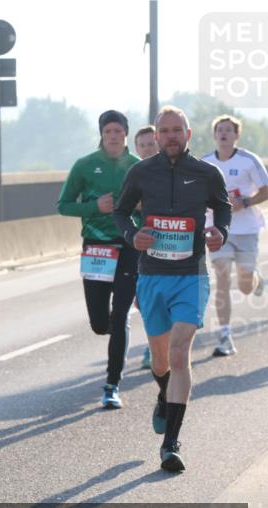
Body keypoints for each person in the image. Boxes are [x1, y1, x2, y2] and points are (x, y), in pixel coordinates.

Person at [113, 105, 231, 472]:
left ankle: (171, 445)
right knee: (161, 359)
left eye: (176, 130)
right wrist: (134, 235)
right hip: (152, 276)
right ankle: (164, 394)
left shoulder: (206, 173)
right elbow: (121, 212)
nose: (170, 136)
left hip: (190, 275)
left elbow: (223, 209)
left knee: (181, 354)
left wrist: (220, 232)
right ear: (157, 136)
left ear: (188, 134)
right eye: (164, 131)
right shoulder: (141, 172)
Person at [58, 110, 140, 409]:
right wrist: (95, 206)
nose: (114, 136)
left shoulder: (138, 167)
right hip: (96, 248)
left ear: (126, 134)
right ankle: (115, 332)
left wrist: (141, 210)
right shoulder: (85, 165)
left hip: (129, 246)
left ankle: (112, 383)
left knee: (120, 316)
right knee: (99, 322)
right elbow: (63, 205)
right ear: (102, 135)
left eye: (118, 131)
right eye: (108, 132)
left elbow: (153, 208)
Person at [201, 114, 268, 356]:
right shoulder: (205, 162)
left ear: (236, 135)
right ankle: (225, 335)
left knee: (246, 285)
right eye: (220, 129)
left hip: (246, 229)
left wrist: (245, 201)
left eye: (228, 130)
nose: (224, 133)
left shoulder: (249, 160)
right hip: (217, 228)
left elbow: (266, 189)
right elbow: (195, 193)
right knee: (221, 276)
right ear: (214, 135)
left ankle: (257, 279)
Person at [133, 125, 159, 370]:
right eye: (142, 145)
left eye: (151, 143)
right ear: (136, 149)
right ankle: (153, 344)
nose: (147, 148)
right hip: (142, 246)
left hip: (172, 245)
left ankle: (159, 345)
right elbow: (124, 208)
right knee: (144, 300)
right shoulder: (134, 174)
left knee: (168, 295)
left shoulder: (174, 170)